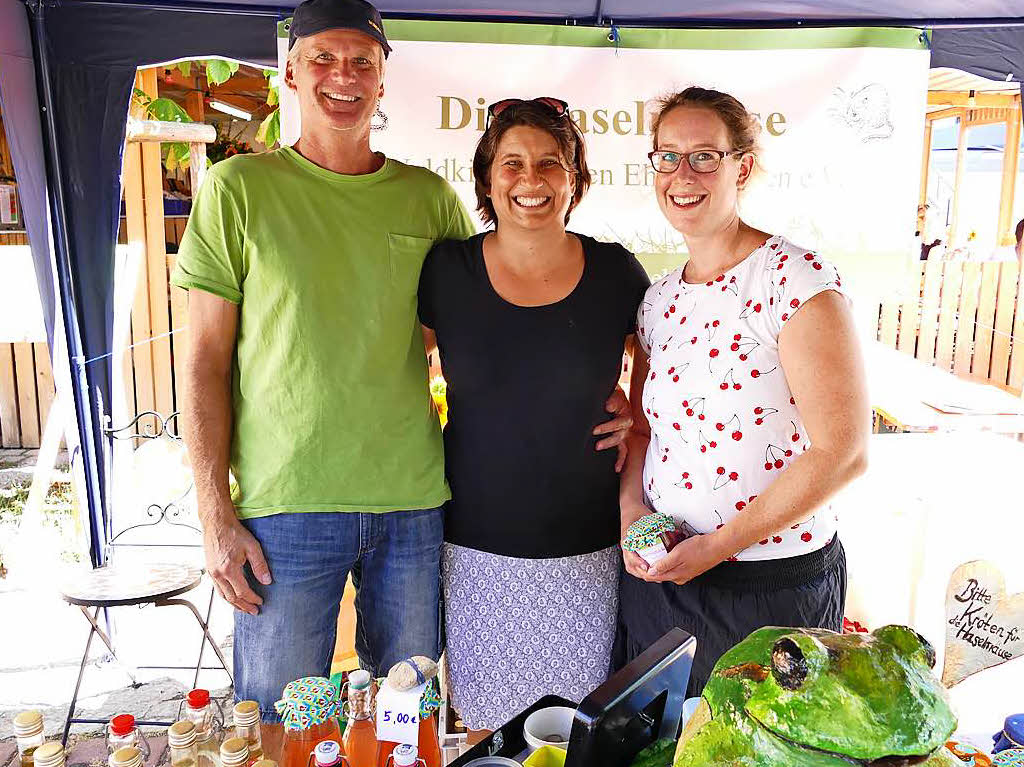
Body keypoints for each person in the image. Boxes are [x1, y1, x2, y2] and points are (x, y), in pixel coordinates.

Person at [170, 0, 633, 744]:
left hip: (414, 507)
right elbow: (201, 363)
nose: (343, 76)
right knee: (286, 725)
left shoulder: (427, 199)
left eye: (362, 61)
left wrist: (605, 391)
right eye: (323, 58)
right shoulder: (238, 191)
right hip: (286, 509)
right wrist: (213, 514)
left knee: (403, 725)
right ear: (290, 70)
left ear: (384, 80)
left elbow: (498, 314)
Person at [614, 87, 870, 697]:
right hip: (664, 579)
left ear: (743, 167)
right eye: (667, 157)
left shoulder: (794, 279)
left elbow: (844, 450)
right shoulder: (658, 300)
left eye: (706, 155)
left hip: (771, 587)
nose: (683, 174)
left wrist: (717, 548)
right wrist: (631, 515)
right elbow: (646, 432)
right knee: (664, 748)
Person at [418, 98, 651, 739]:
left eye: (551, 163)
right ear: (488, 179)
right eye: (512, 163)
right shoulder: (448, 271)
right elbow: (395, 372)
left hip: (588, 545)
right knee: (487, 732)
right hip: (475, 545)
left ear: (574, 177)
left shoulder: (614, 271)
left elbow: (667, 369)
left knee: (576, 732)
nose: (531, 180)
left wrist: (637, 415)